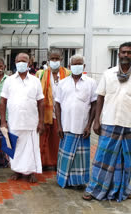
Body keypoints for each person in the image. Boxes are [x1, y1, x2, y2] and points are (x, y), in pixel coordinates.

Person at [83, 42, 131, 202]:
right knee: (101, 157)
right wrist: (96, 121)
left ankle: (122, 190)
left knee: (125, 161)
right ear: (118, 54)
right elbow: (100, 97)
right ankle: (93, 189)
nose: (126, 55)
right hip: (109, 122)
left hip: (128, 124)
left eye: (129, 53)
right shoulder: (108, 74)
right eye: (123, 52)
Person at [0, 52, 45, 182]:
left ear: (29, 63)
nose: (21, 63)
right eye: (19, 61)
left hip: (31, 122)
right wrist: (3, 121)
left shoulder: (35, 81)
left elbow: (41, 102)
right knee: (14, 147)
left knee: (31, 148)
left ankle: (30, 172)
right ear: (15, 62)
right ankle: (17, 171)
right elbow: (3, 101)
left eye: (24, 61)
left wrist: (41, 121)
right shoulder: (9, 80)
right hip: (14, 121)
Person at [55, 54, 97, 188]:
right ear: (69, 66)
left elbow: (94, 104)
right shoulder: (62, 83)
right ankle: (64, 181)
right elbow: (57, 105)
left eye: (79, 64)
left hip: (82, 127)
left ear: (84, 66)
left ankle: (79, 182)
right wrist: (59, 126)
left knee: (80, 158)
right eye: (74, 64)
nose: (77, 66)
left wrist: (89, 126)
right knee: (65, 158)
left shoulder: (91, 83)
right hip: (66, 127)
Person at [39, 49, 70, 171]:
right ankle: (45, 162)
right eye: (52, 59)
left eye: (57, 59)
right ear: (48, 60)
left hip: (62, 111)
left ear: (61, 59)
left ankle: (58, 163)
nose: (55, 61)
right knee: (45, 138)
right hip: (47, 111)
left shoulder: (68, 74)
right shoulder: (41, 74)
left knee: (57, 139)